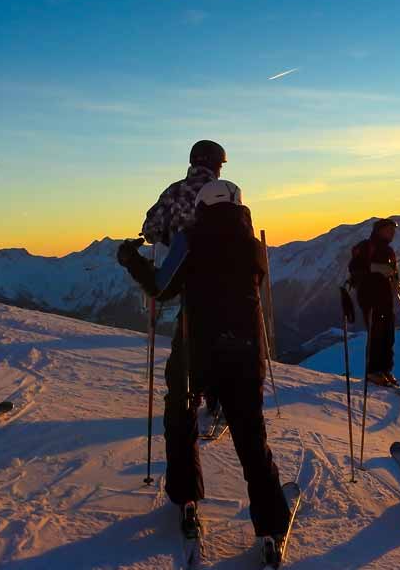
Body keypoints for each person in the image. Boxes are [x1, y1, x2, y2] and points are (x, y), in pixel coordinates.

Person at [117, 180, 291, 563]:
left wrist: (132, 260)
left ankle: (187, 497)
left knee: (180, 414)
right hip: (246, 351)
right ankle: (272, 523)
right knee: (250, 435)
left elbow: (161, 288)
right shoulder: (253, 247)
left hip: (197, 350)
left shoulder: (191, 239)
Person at [140, 139, 226, 424]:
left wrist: (170, 236)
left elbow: (149, 229)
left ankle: (188, 392)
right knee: (221, 335)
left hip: (186, 273)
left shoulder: (174, 191)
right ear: (215, 164)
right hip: (225, 275)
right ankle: (218, 397)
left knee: (188, 332)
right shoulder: (224, 192)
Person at [348, 218, 400, 387]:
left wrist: (396, 282)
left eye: (393, 230)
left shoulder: (388, 251)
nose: (392, 233)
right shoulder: (366, 247)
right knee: (377, 332)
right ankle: (373, 371)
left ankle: (385, 370)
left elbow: (393, 272)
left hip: (385, 296)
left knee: (388, 333)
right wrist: (374, 268)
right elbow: (355, 268)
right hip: (370, 297)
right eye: (389, 229)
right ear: (379, 230)